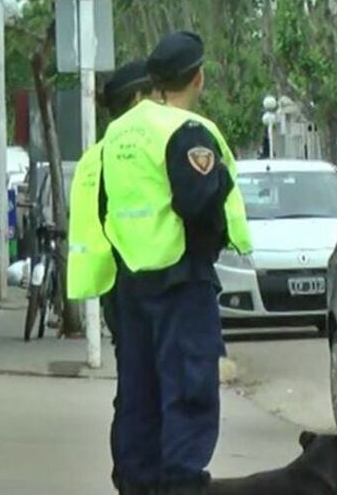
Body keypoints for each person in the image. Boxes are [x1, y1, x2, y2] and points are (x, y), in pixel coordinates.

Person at [101, 31, 252, 495]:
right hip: (180, 281)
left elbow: (104, 204)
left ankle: (137, 485)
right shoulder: (185, 132)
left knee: (139, 397)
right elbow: (201, 201)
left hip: (130, 282)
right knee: (188, 393)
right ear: (199, 78)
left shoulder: (118, 131)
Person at [66, 59, 154, 491]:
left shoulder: (92, 158)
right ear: (137, 99)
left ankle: (129, 477)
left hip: (114, 288)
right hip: (145, 285)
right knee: (151, 392)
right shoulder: (135, 152)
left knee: (131, 389)